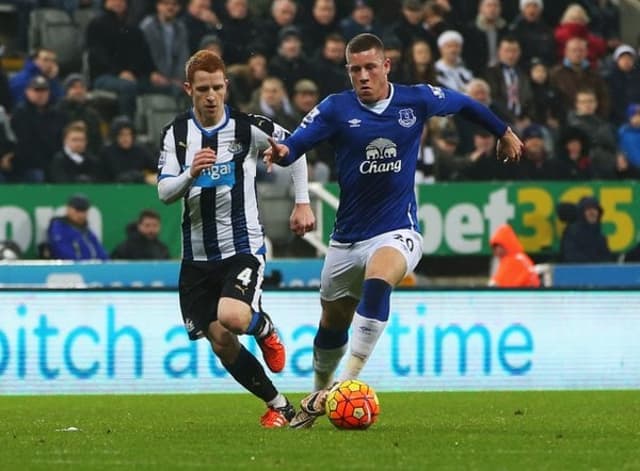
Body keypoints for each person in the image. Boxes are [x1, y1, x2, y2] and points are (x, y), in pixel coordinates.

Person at [263, 33, 523, 428]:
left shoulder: (415, 99)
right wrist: (282, 153)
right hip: (347, 238)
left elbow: (466, 104)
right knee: (332, 322)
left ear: (386, 66)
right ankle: (319, 391)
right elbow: (296, 146)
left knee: (380, 279)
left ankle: (341, 388)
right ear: (348, 71)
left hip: (397, 229)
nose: (363, 76)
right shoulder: (335, 108)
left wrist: (503, 131)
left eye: (370, 67)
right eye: (355, 70)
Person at [157, 50, 316, 427]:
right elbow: (164, 193)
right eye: (202, 89)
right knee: (221, 341)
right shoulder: (177, 135)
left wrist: (303, 204)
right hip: (196, 258)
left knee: (232, 317)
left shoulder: (248, 126)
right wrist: (190, 175)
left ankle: (264, 328)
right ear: (187, 90)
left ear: (226, 86)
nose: (211, 96)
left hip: (241, 247)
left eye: (217, 87)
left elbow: (295, 149)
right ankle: (278, 406)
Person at [47, 194, 109, 261]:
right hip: (71, 269)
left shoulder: (86, 231)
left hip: (92, 268)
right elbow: (62, 252)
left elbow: (101, 252)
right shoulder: (58, 227)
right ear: (68, 209)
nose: (81, 214)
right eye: (77, 210)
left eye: (84, 210)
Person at [559, 196, 613, 263]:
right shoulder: (572, 232)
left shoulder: (600, 233)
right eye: (588, 209)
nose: (592, 212)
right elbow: (571, 256)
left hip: (598, 271)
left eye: (595, 209)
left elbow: (606, 256)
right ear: (582, 213)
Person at [489, 223, 540, 287]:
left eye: (497, 247)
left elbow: (498, 284)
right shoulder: (520, 257)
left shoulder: (512, 260)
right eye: (494, 248)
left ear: (506, 243)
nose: (496, 251)